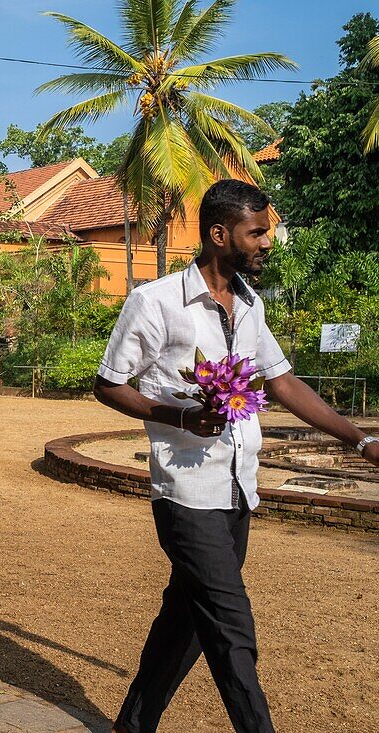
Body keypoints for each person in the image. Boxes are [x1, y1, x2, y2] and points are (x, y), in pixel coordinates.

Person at [94, 179, 379, 733]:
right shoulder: (154, 303)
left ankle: (131, 726)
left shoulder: (250, 305)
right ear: (219, 234)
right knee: (231, 627)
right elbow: (108, 384)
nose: (267, 242)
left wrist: (361, 441)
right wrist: (178, 416)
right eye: (257, 232)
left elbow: (283, 383)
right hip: (185, 495)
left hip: (237, 492)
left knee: (188, 622)